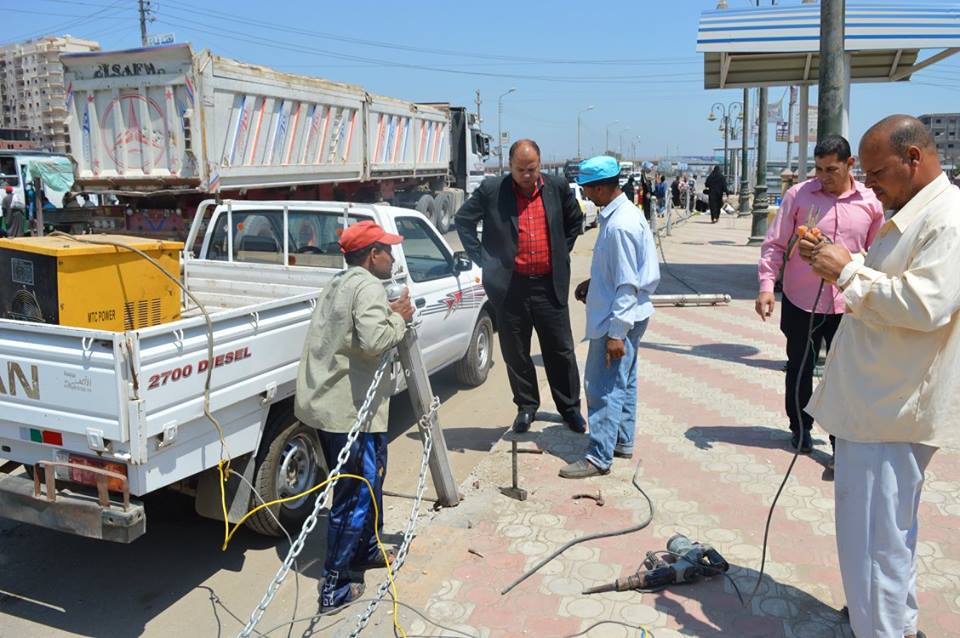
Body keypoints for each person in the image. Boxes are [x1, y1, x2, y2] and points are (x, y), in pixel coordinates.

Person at [800, 115, 960, 638]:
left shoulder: (946, 218)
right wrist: (842, 260)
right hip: (877, 405)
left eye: (876, 172)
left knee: (876, 540)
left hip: (891, 410)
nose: (870, 185)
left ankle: (883, 630)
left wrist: (846, 272)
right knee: (879, 537)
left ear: (913, 158)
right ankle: (891, 622)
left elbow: (923, 303)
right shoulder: (916, 212)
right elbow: (892, 276)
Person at [294, 220, 414, 612]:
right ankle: (335, 585)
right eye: (387, 250)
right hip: (348, 414)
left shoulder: (340, 282)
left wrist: (388, 313)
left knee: (372, 479)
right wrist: (401, 317)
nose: (392, 257)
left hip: (336, 407)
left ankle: (366, 551)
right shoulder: (365, 286)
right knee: (355, 493)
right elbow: (376, 340)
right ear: (372, 254)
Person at [756, 135, 884, 458]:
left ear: (850, 164)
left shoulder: (870, 202)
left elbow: (879, 255)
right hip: (802, 301)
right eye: (818, 169)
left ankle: (841, 441)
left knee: (844, 374)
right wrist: (766, 286)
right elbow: (775, 245)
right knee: (800, 366)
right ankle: (800, 428)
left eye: (831, 170)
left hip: (849, 304)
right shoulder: (799, 196)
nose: (823, 177)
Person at [455, 139, 586, 435]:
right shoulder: (492, 191)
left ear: (540, 164)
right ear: (509, 166)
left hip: (548, 286)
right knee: (516, 353)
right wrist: (484, 260)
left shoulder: (557, 187)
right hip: (510, 288)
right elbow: (463, 220)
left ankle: (570, 409)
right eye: (520, 169)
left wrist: (559, 251)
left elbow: (575, 220)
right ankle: (526, 407)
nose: (527, 175)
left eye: (532, 168)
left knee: (561, 350)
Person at [560, 156, 660, 478]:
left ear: (602, 187)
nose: (586, 196)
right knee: (624, 380)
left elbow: (628, 284)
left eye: (588, 190)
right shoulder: (622, 215)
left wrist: (616, 333)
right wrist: (595, 284)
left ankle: (598, 457)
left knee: (602, 387)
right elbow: (620, 272)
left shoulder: (620, 226)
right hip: (628, 314)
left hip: (618, 320)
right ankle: (621, 441)